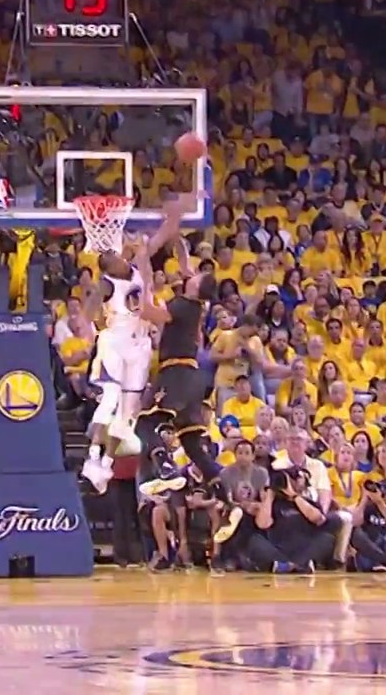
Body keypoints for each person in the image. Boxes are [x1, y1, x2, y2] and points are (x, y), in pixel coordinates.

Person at [135, 230, 243, 544]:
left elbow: (147, 311)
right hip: (194, 379)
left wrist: (143, 264)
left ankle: (166, 469)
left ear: (196, 286)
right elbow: (186, 264)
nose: (188, 275)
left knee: (146, 423)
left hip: (176, 372)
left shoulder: (184, 304)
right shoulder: (195, 300)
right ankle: (228, 501)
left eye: (192, 276)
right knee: (194, 445)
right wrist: (176, 234)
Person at [81, 194, 195, 493]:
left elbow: (162, 236)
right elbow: (90, 307)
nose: (117, 257)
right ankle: (91, 458)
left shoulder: (136, 267)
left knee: (128, 413)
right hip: (114, 343)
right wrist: (92, 323)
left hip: (140, 346)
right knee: (108, 399)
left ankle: (105, 464)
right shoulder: (107, 284)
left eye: (115, 254)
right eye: (109, 257)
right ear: (105, 265)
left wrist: (178, 214)